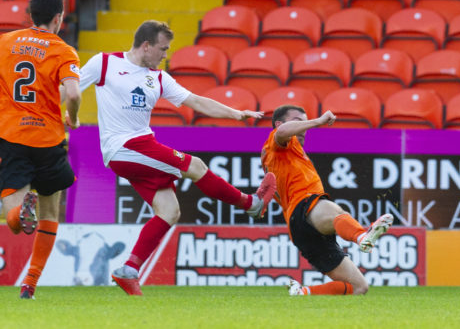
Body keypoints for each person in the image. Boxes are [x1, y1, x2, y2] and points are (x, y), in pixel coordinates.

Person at [79, 20, 276, 296]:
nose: (165, 55)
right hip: (122, 147)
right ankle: (251, 204)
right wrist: (66, 112)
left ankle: (129, 270)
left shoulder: (158, 77)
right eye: (162, 49)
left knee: (170, 211)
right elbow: (70, 86)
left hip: (141, 145)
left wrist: (235, 113)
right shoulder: (104, 63)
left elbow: (196, 101)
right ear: (146, 46)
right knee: (195, 165)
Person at [0, 0, 82, 299]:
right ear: (59, 17)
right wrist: (72, 116)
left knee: (15, 221)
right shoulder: (62, 50)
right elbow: (73, 93)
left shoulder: (5, 42)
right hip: (47, 139)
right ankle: (30, 284)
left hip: (11, 136)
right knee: (50, 213)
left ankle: (19, 212)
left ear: (30, 15)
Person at [261, 105, 394, 296]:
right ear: (279, 124)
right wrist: (318, 121)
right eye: (299, 122)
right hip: (303, 207)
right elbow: (281, 132)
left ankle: (302, 293)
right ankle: (363, 236)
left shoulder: (281, 156)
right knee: (335, 213)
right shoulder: (278, 143)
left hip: (299, 231)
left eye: (305, 124)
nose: (304, 128)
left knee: (359, 287)